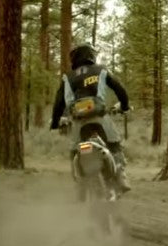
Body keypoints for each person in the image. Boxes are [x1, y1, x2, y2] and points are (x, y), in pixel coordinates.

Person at [49, 44, 133, 192]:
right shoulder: (101, 70)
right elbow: (120, 89)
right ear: (91, 55)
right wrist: (125, 106)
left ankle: (79, 184)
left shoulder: (67, 77)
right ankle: (120, 175)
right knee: (114, 144)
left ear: (74, 58)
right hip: (99, 116)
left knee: (75, 150)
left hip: (78, 121)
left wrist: (55, 122)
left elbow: (58, 103)